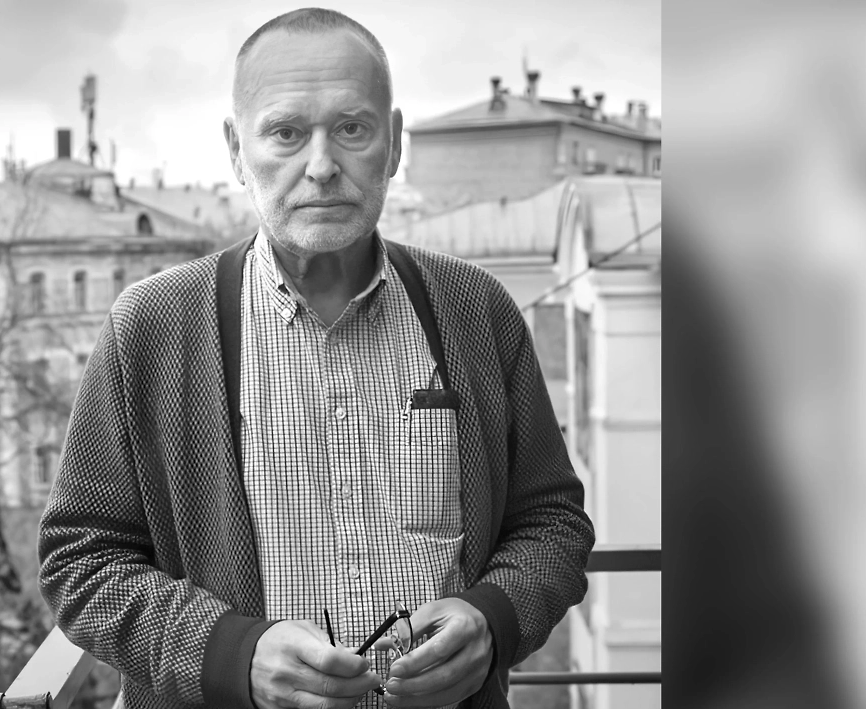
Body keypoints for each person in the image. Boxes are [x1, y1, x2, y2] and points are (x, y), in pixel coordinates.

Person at [38, 8, 594, 709]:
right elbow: (80, 560)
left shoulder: (474, 310)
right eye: (286, 133)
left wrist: (495, 617)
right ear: (236, 150)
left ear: (394, 143)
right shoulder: (150, 328)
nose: (323, 165)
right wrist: (230, 655)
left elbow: (553, 522)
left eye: (352, 129)